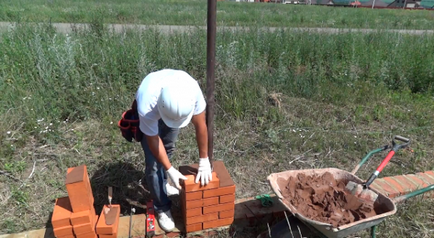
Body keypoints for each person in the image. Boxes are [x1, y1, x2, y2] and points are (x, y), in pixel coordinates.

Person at [135, 69, 213, 232]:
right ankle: (161, 207)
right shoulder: (146, 104)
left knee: (168, 148)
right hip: (152, 105)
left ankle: (162, 184)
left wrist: (204, 160)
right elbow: (153, 140)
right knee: (154, 164)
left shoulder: (192, 91)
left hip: (170, 105)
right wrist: (170, 169)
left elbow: (201, 126)